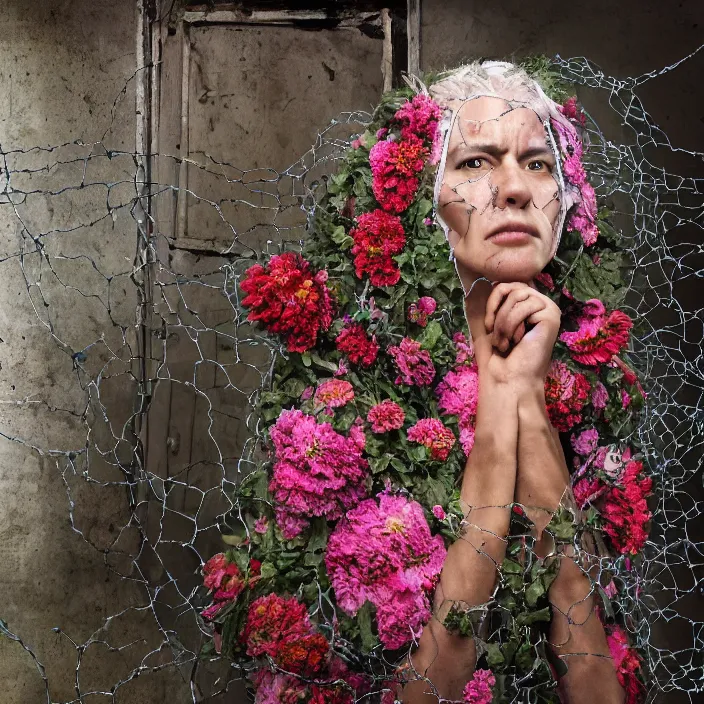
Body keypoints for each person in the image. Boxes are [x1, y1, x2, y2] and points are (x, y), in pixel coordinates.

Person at [400, 62, 626, 703]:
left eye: (538, 163)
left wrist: (527, 393)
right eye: (474, 162)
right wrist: (501, 401)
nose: (515, 189)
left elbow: (594, 680)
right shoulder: (342, 407)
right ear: (422, 197)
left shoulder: (599, 399)